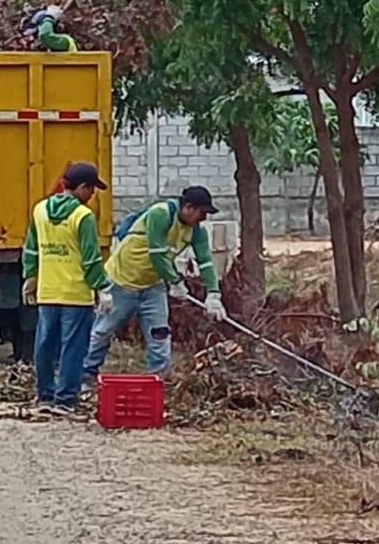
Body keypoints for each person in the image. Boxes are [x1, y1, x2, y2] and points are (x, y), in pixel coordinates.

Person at [83, 186, 227, 380]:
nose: (204, 218)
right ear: (188, 208)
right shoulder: (161, 214)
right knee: (103, 331)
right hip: (121, 282)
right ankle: (86, 372)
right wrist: (175, 282)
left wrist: (214, 294)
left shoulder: (196, 231)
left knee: (159, 333)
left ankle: (159, 378)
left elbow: (206, 261)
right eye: (202, 213)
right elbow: (157, 254)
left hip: (153, 286)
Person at [21, 161, 109, 414]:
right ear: (81, 187)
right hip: (76, 294)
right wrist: (101, 288)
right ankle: (66, 399)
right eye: (91, 189)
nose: (92, 195)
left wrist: (30, 277)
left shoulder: (39, 210)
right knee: (73, 347)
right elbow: (91, 259)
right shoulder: (83, 216)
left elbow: (31, 249)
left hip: (48, 292)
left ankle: (45, 395)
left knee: (44, 345)